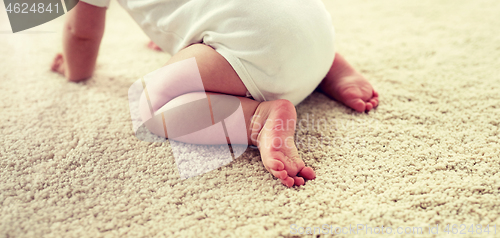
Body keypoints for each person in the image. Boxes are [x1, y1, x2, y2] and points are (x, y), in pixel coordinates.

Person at [51, 0, 379, 187]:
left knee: (152, 105)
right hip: (313, 28)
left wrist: (73, 68)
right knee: (262, 21)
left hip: (260, 54)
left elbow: (81, 35)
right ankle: (330, 66)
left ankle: (258, 118)